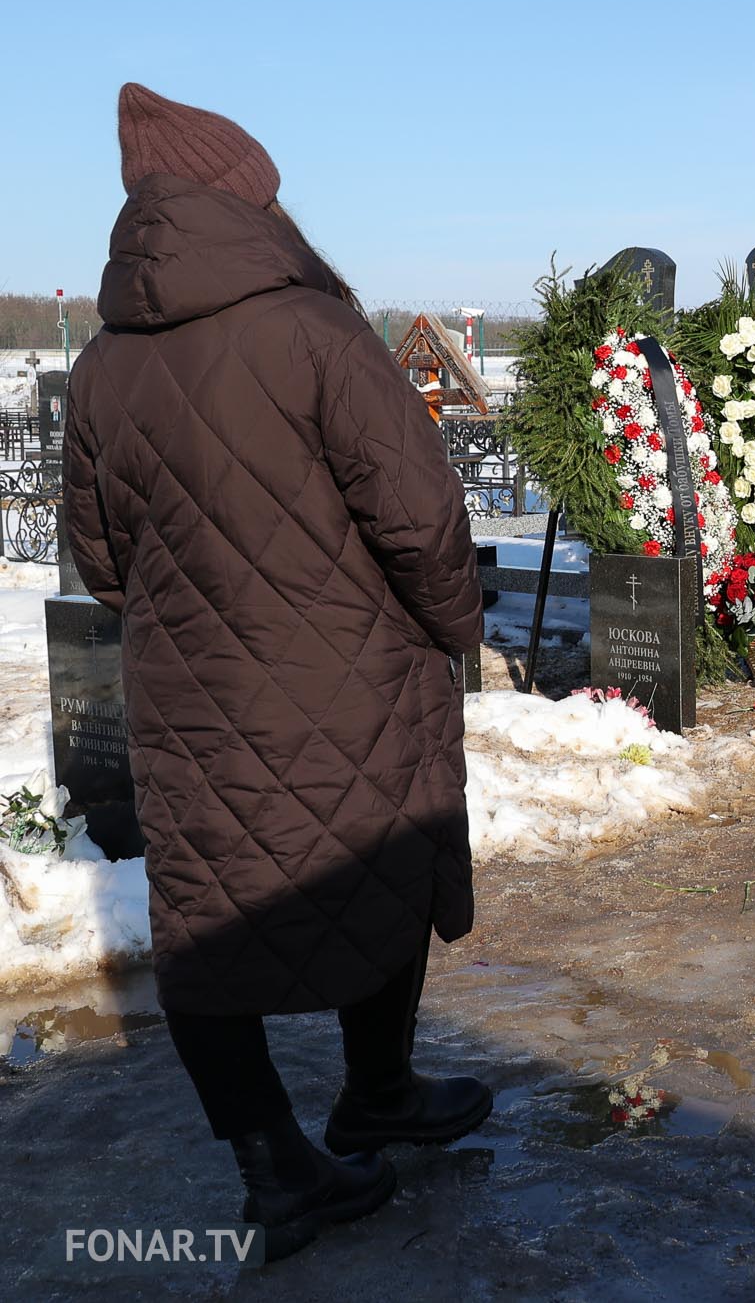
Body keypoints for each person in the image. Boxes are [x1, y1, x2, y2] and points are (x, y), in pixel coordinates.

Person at [64, 84, 490, 1262]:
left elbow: (100, 560)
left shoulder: (102, 363)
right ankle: (378, 1090)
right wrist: (452, 627)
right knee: (378, 865)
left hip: (188, 694)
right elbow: (421, 518)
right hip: (351, 676)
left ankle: (276, 1165)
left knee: (206, 918)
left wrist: (188, 621)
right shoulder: (316, 331)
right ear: (249, 196)